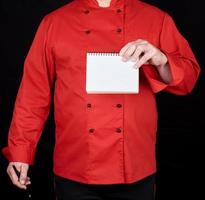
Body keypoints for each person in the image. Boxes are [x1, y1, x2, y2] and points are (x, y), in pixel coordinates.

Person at [2, 0, 200, 199]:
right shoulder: (54, 22)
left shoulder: (156, 19)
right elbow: (33, 94)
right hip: (74, 166)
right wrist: (21, 152)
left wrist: (161, 59)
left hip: (135, 167)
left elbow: (188, 81)